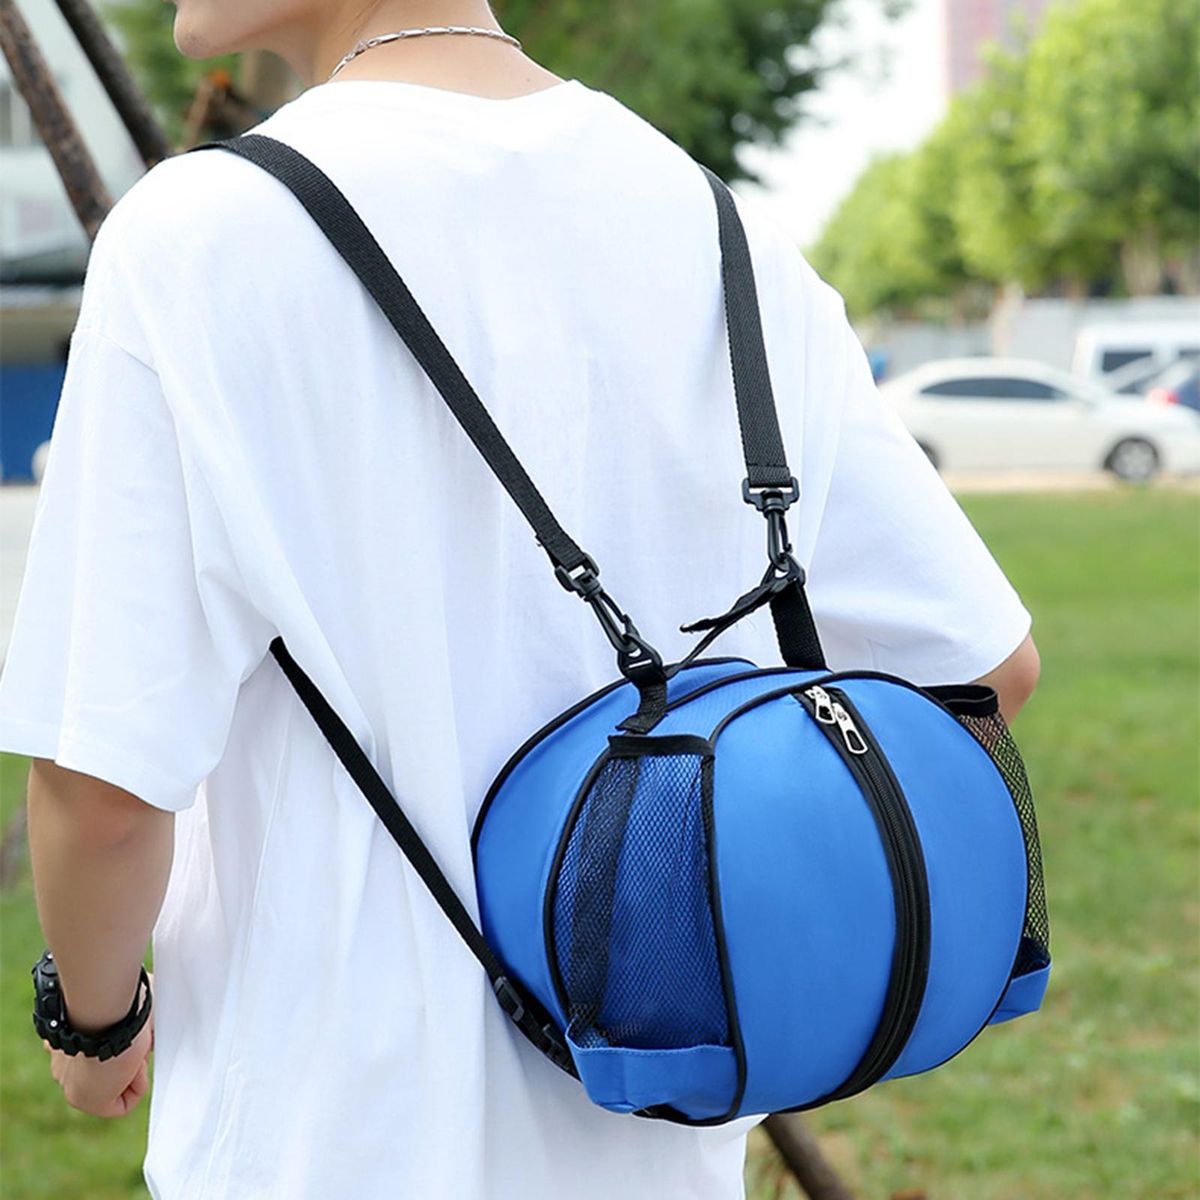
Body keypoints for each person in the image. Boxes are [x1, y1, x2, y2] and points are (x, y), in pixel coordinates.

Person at [0, 0, 1041, 1196]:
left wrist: (94, 1022)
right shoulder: (725, 233)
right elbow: (984, 670)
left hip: (328, 1139)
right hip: (661, 1117)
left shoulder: (198, 237)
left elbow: (104, 791)